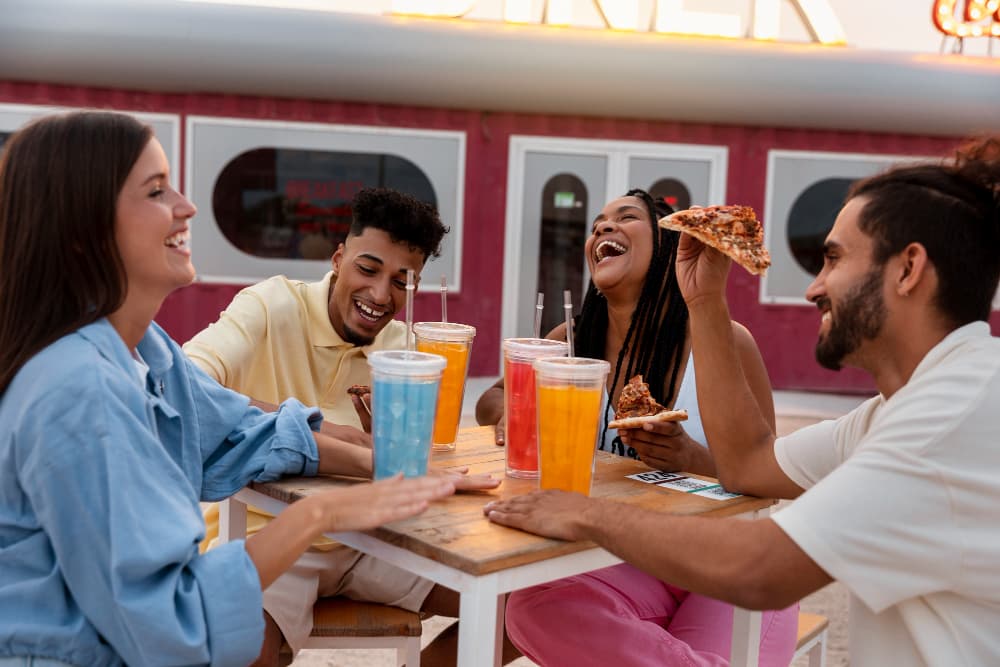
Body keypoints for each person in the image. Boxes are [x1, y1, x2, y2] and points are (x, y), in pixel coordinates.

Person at [485, 138, 1000, 665]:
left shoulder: (954, 410)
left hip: (721, 565)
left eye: (833, 258)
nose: (813, 288)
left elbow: (762, 571)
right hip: (661, 574)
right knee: (529, 606)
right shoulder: (897, 411)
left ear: (908, 269)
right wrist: (705, 298)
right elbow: (749, 463)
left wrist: (588, 515)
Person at [0, 111, 456, 667]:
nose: (187, 207)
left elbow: (242, 428)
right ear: (84, 232)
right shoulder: (78, 392)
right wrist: (316, 515)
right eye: (156, 191)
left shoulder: (147, 352)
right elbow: (173, 624)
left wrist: (387, 468)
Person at [184, 187, 514, 666]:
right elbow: (187, 385)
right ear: (338, 258)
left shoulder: (406, 350)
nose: (382, 295)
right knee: (239, 647)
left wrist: (401, 443)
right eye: (368, 269)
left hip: (374, 541)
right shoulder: (271, 305)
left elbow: (417, 460)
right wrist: (314, 428)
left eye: (403, 281)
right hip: (271, 538)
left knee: (525, 612)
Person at [476, 188, 797, 666]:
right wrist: (516, 410)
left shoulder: (725, 340)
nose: (604, 227)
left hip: (734, 559)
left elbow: (768, 485)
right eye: (597, 223)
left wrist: (690, 459)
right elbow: (491, 399)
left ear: (669, 246)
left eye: (626, 217)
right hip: (630, 560)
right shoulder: (571, 340)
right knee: (529, 606)